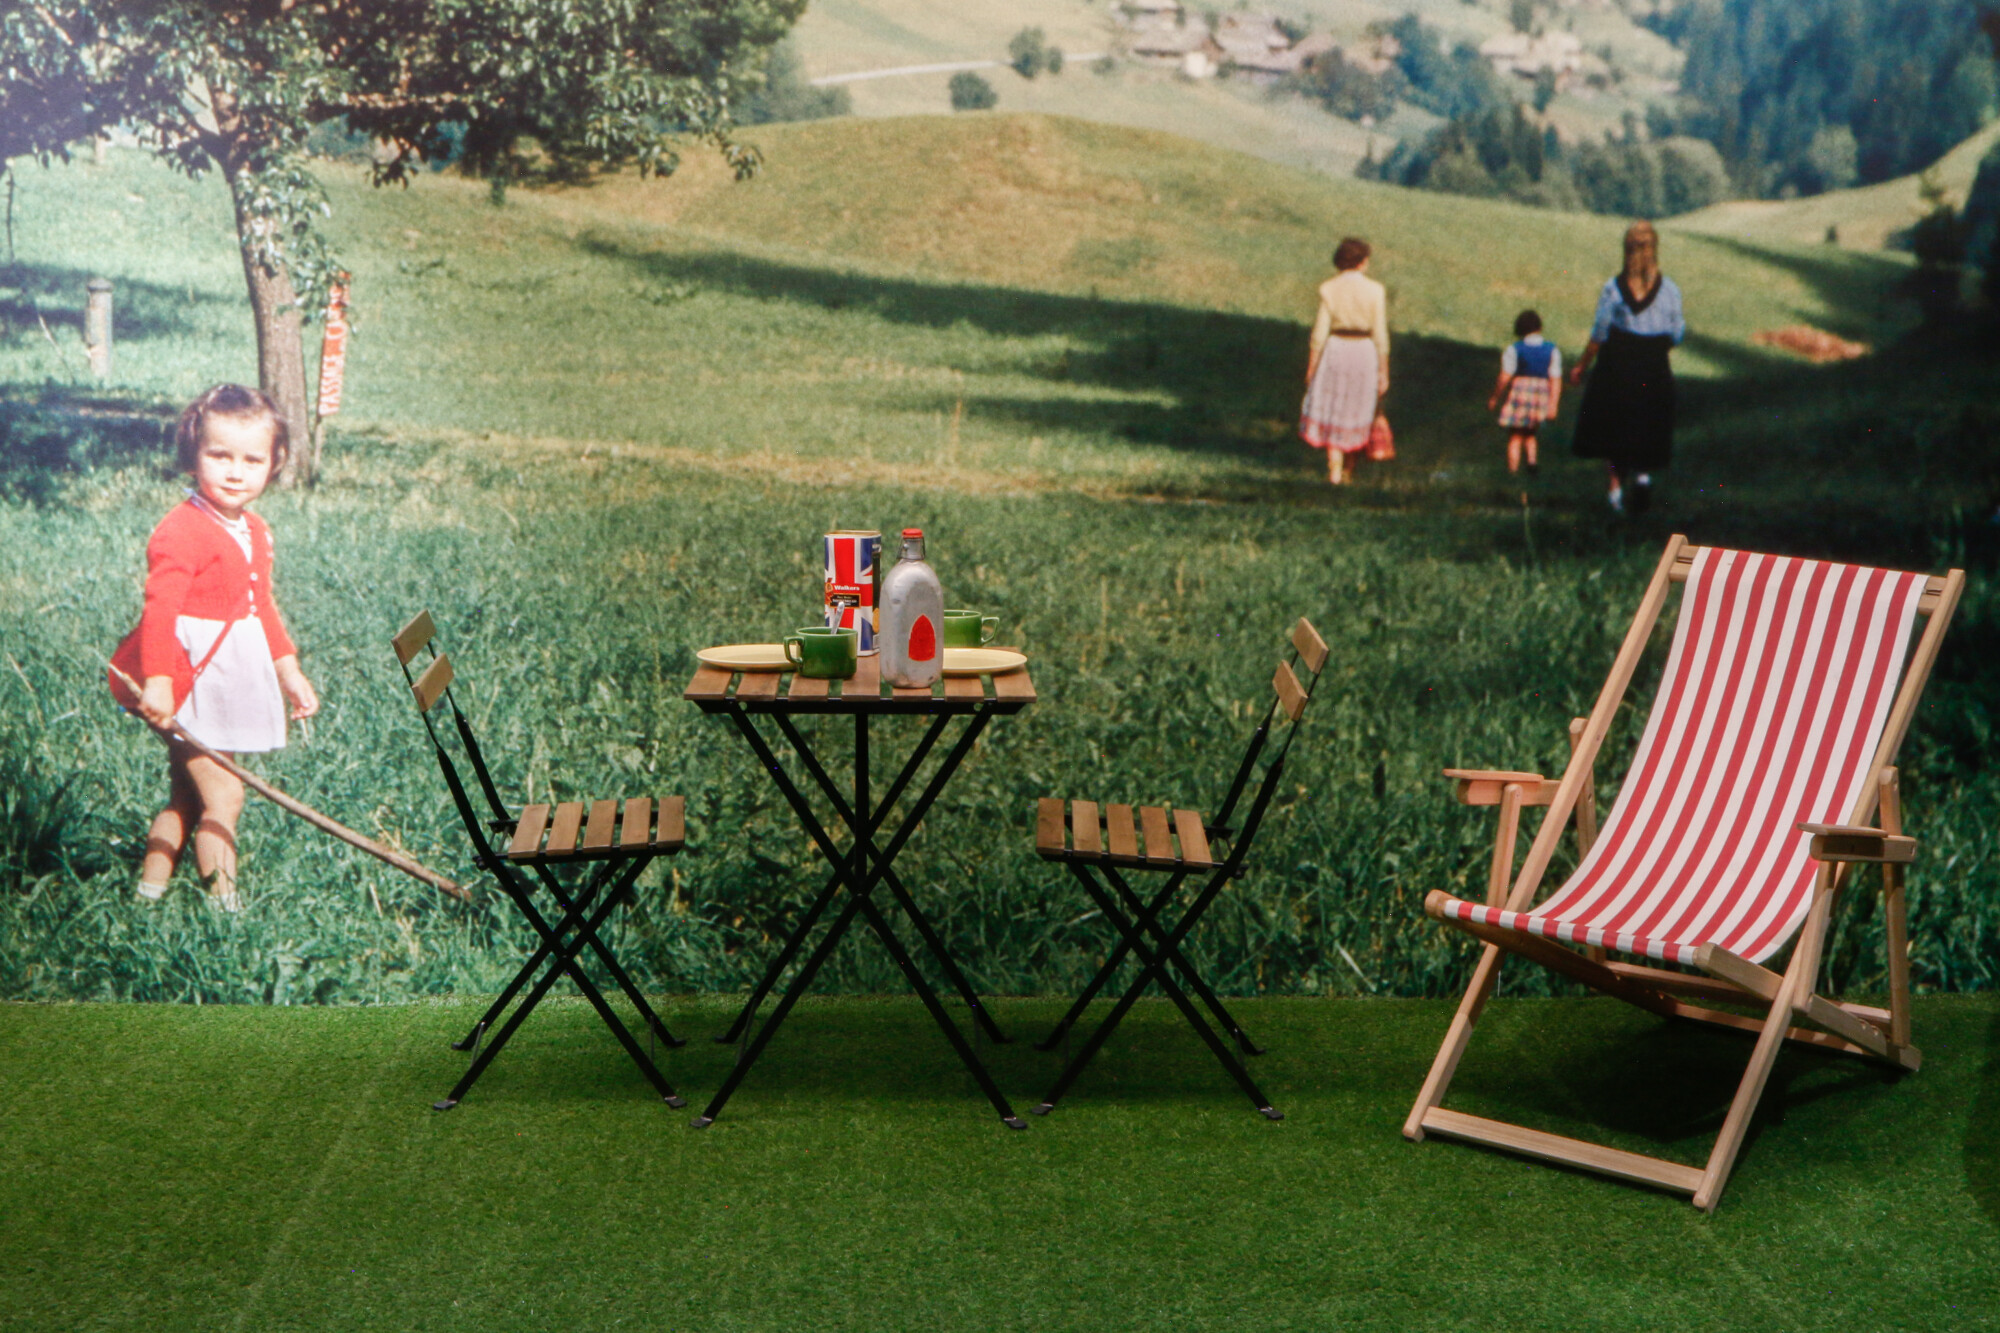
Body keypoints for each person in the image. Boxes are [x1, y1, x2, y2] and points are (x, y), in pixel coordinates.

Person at [133, 385, 318, 911]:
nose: (236, 473)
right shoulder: (182, 530)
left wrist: (289, 672)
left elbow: (261, 608)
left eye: (252, 460)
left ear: (275, 462)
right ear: (193, 454)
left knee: (186, 798)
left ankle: (147, 898)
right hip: (191, 680)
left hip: (228, 677)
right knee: (226, 794)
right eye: (219, 456)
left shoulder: (254, 530)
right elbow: (159, 612)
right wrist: (159, 682)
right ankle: (224, 912)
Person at [1569, 221, 1685, 515]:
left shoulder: (1614, 288)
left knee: (1614, 427)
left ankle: (1615, 493)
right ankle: (1643, 478)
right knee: (1646, 422)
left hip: (1617, 364)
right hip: (1654, 365)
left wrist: (1581, 365)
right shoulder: (1669, 290)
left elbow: (1599, 333)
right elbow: (1676, 333)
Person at [1300, 236, 1389, 485]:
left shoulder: (1329, 288)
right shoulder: (1375, 290)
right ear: (1362, 262)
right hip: (1363, 352)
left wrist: (1312, 366)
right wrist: (1384, 369)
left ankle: (1335, 471)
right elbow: (1380, 334)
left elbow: (1319, 333)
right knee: (1358, 407)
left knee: (1335, 408)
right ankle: (1348, 470)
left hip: (1336, 349)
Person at [1487, 309, 1562, 475]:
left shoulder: (1515, 349)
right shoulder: (1552, 350)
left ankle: (1512, 471)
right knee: (1530, 432)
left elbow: (1505, 376)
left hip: (1520, 392)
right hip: (1540, 393)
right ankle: (1532, 462)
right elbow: (1556, 379)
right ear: (1540, 328)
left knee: (1515, 435)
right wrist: (1553, 405)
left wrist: (1494, 397)